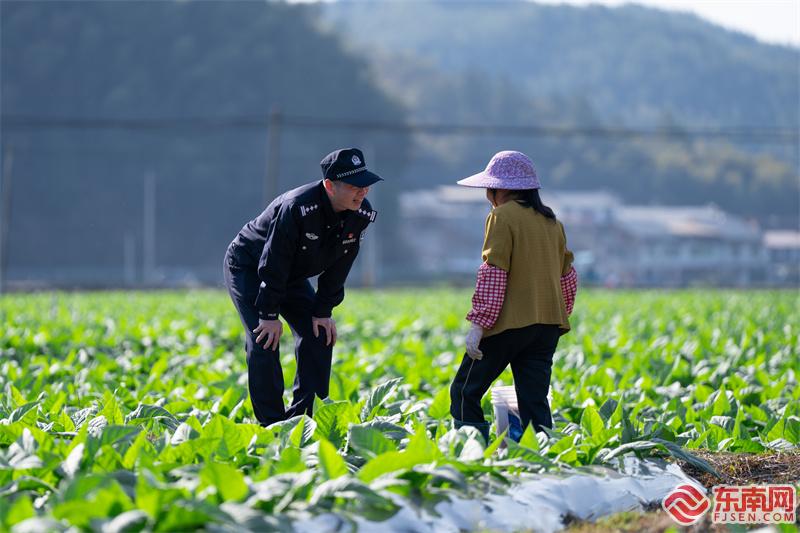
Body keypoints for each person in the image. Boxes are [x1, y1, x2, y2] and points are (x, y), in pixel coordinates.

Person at [224, 148, 381, 426]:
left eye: (365, 185)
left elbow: (340, 265)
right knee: (264, 340)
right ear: (330, 186)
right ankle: (271, 424)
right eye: (355, 187)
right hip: (250, 267)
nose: (363, 193)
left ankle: (304, 420)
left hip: (291, 275)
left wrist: (323, 310)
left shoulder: (360, 213)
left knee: (319, 334)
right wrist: (269, 315)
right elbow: (273, 261)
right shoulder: (297, 207)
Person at [449, 150, 578, 443]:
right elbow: (568, 278)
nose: (487, 195)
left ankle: (472, 454)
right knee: (534, 402)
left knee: (464, 390)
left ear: (502, 188)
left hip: (509, 324)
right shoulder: (552, 223)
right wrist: (555, 314)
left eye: (489, 189)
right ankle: (542, 460)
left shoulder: (501, 217)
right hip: (547, 327)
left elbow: (494, 272)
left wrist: (479, 326)